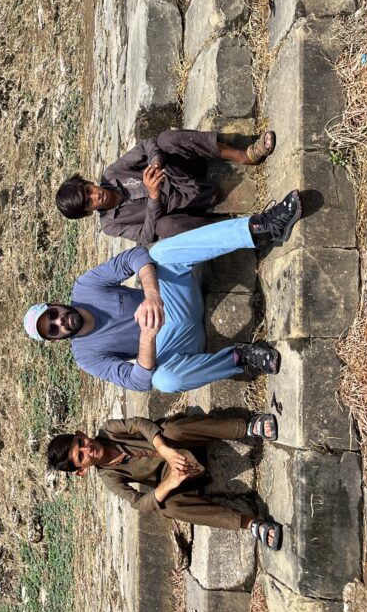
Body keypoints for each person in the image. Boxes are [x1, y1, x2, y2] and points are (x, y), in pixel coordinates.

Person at [22, 190, 302, 393]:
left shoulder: (85, 287)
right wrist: (147, 336)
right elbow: (138, 382)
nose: (60, 322)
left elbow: (135, 256)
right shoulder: (87, 357)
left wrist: (153, 295)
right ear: (56, 340)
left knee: (162, 252)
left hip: (174, 300)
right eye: (53, 329)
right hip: (172, 345)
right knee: (164, 381)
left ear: (56, 303)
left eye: (53, 315)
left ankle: (260, 229)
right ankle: (240, 357)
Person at [46, 413, 283, 549]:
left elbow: (140, 424)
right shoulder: (109, 477)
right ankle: (251, 524)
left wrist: (166, 450)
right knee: (168, 507)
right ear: (81, 471)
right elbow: (138, 503)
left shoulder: (109, 430)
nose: (87, 450)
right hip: (179, 475)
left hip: (178, 442)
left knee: (172, 430)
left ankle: (247, 427)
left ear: (80, 434)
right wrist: (169, 483)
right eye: (80, 457)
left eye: (80, 443)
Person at [55, 129, 276, 244]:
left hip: (183, 173)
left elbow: (146, 144)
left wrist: (156, 161)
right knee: (165, 229)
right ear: (87, 212)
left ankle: (244, 156)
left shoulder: (112, 174)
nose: (95, 196)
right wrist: (153, 198)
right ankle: (241, 227)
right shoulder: (110, 225)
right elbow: (146, 235)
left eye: (88, 190)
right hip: (188, 206)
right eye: (88, 202)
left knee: (166, 139)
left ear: (88, 183)